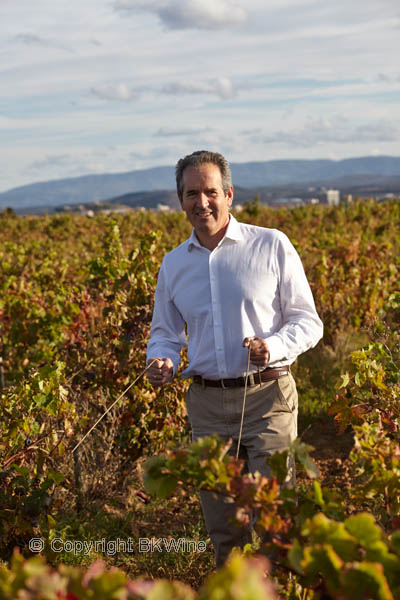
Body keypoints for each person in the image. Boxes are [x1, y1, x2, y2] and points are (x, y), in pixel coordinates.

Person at [146, 150, 323, 567]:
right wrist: (163, 360)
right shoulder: (173, 266)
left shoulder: (271, 244)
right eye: (192, 193)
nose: (201, 202)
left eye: (210, 192)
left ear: (228, 194)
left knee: (276, 516)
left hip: (268, 399)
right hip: (206, 406)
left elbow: (307, 322)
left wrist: (272, 347)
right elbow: (165, 335)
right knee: (223, 525)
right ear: (180, 200)